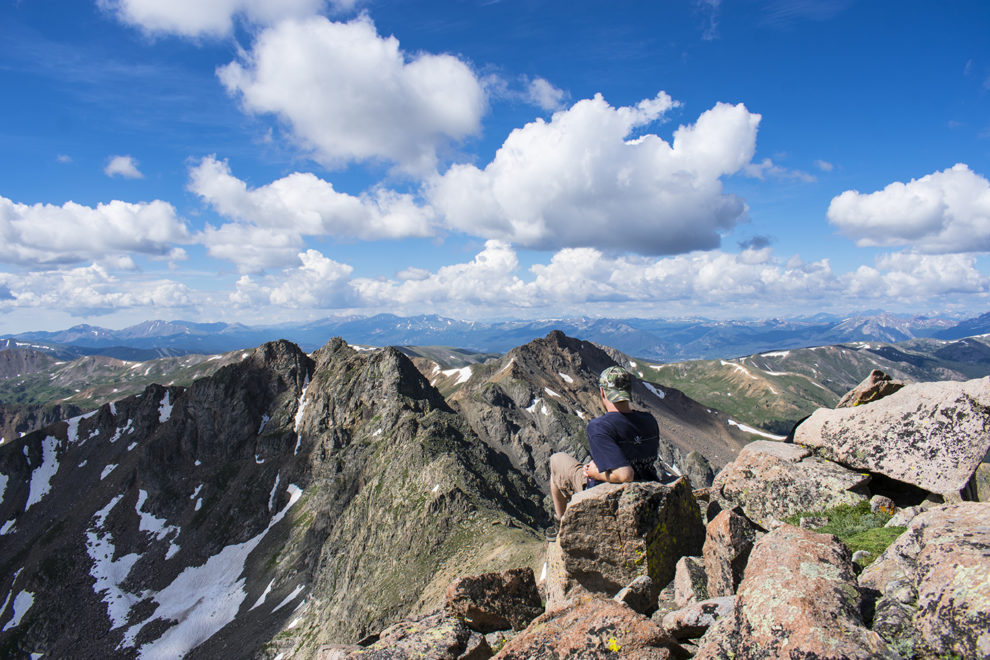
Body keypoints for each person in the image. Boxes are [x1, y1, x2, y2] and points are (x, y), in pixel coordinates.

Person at [549, 366, 661, 521]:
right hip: (648, 484)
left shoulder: (600, 427)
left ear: (602, 392)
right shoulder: (649, 420)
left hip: (610, 493)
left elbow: (625, 475)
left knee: (556, 460)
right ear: (628, 392)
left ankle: (560, 522)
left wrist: (594, 472)